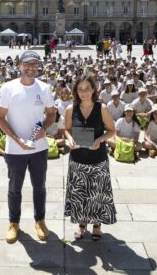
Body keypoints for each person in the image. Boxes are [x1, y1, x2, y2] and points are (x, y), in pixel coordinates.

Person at [0, 50, 56, 244]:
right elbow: (0, 118)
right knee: (15, 188)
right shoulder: (7, 88)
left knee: (39, 187)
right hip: (15, 149)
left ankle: (40, 220)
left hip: (38, 147)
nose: (30, 68)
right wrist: (16, 140)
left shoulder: (45, 88)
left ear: (39, 66)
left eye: (34, 64)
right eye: (26, 64)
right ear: (19, 65)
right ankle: (14, 223)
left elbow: (51, 115)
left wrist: (44, 129)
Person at [64, 74, 117, 241]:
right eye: (80, 89)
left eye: (87, 88)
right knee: (80, 194)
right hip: (77, 159)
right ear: (76, 91)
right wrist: (70, 139)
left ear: (94, 90)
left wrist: (101, 139)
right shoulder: (70, 109)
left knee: (97, 194)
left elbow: (112, 130)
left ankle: (97, 225)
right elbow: (67, 130)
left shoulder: (102, 109)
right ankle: (81, 225)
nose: (84, 92)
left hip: (98, 160)